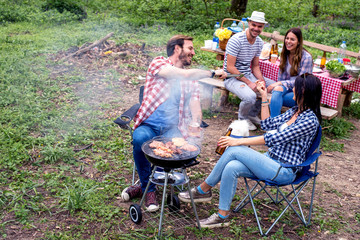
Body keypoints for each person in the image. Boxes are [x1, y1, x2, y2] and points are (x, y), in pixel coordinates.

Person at [178, 74, 322, 228]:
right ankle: (222, 216)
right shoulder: (294, 111)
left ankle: (203, 190)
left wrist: (238, 141)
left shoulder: (309, 120)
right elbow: (267, 125)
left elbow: (274, 138)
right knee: (231, 167)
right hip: (270, 161)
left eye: (296, 86)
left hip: (284, 170)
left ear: (304, 91)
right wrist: (264, 95)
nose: (292, 89)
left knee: (234, 149)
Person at [121, 35, 227, 212]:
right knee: (139, 138)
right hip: (150, 125)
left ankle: (144, 184)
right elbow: (182, 74)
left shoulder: (191, 79)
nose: (193, 52)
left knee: (184, 150)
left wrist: (195, 121)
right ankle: (150, 191)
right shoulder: (158, 63)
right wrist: (212, 72)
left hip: (172, 129)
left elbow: (195, 106)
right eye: (190, 48)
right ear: (177, 49)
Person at [223, 11, 276, 130]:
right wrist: (249, 83)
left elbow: (255, 66)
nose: (256, 28)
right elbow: (230, 67)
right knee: (250, 96)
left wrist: (261, 81)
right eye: (254, 25)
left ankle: (252, 114)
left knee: (272, 86)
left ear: (263, 27)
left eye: (259, 26)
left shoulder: (259, 42)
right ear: (249, 23)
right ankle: (242, 120)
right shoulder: (236, 40)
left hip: (247, 74)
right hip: (231, 76)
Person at [267, 28, 313, 117]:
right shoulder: (285, 54)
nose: (288, 41)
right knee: (276, 92)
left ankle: (273, 124)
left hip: (300, 93)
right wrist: (280, 85)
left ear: (299, 42)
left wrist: (280, 84)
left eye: (292, 39)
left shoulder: (306, 57)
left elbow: (302, 82)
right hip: (288, 89)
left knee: (275, 97)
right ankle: (275, 124)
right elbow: (281, 78)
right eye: (287, 38)